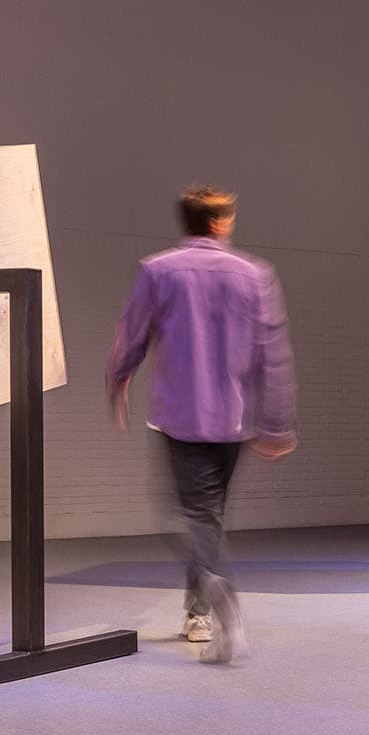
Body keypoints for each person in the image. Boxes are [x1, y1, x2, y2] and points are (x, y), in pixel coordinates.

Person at [107, 185, 297, 662]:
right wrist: (276, 424)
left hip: (178, 418)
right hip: (233, 421)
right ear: (218, 223)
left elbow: (132, 333)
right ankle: (198, 612)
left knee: (193, 517)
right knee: (208, 516)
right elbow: (271, 355)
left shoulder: (158, 270)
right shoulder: (255, 275)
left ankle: (213, 593)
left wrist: (118, 379)